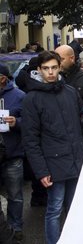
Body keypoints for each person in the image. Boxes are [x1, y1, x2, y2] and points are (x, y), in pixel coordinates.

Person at [22, 51, 83, 244]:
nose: (50, 72)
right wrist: (41, 171)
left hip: (76, 160)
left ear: (59, 67)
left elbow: (80, 121)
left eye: (53, 67)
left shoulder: (70, 92)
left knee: (74, 207)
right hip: (53, 164)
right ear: (39, 70)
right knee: (54, 209)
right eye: (46, 68)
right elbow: (30, 139)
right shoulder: (31, 99)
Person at [0, 63, 25, 241]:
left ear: (2, 78)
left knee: (15, 195)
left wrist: (16, 122)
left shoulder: (19, 96)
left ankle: (15, 227)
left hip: (12, 154)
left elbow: (30, 122)